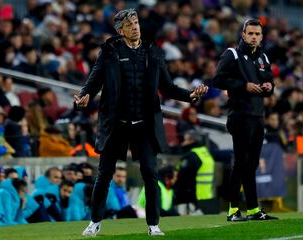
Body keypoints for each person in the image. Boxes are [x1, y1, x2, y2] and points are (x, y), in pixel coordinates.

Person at [75, 9, 208, 236]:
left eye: (136, 22)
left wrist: (190, 96)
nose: (135, 27)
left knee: (150, 173)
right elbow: (94, 81)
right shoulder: (109, 51)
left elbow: (166, 87)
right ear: (120, 30)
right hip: (116, 123)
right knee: (105, 173)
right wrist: (83, 97)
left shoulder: (151, 52)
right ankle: (95, 221)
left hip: (144, 124)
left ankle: (153, 225)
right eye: (129, 24)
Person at [213, 19, 278, 221]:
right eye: (250, 33)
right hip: (240, 116)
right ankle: (233, 210)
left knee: (252, 165)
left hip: (258, 116)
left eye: (257, 34)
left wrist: (269, 87)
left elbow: (269, 80)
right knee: (240, 163)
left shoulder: (262, 57)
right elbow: (218, 79)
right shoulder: (232, 54)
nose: (254, 37)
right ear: (243, 34)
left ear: (261, 36)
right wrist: (244, 86)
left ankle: (252, 209)